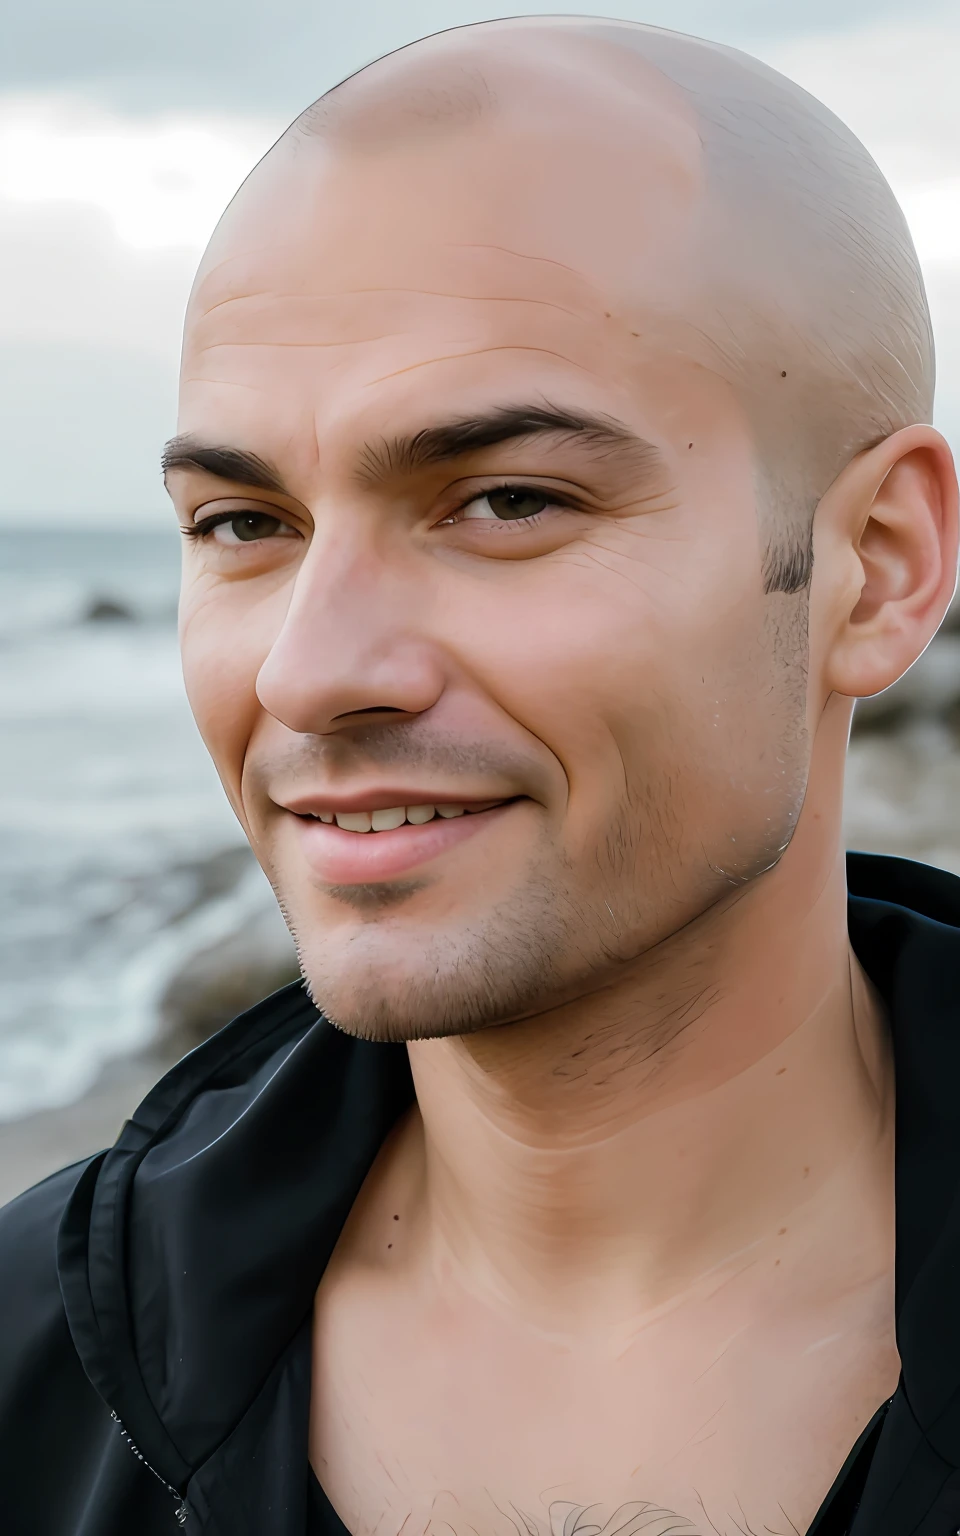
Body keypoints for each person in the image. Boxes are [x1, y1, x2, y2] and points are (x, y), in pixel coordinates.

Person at [2, 15, 959, 1535]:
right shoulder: (30, 1372)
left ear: (877, 570)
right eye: (245, 523)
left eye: (506, 500)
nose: (308, 673)